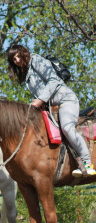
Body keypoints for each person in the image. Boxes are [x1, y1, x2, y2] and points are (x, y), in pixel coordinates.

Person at [7, 44, 96, 177]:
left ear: (24, 53)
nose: (17, 61)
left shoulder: (36, 60)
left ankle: (88, 163)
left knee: (67, 127)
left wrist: (41, 99)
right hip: (51, 106)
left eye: (18, 56)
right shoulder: (27, 72)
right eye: (14, 59)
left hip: (66, 100)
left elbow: (54, 80)